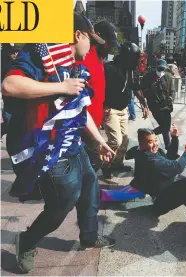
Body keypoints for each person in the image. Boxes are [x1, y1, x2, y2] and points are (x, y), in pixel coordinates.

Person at [1, 12, 116, 273]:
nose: (93, 48)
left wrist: (99, 141)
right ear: (78, 35)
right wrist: (61, 87)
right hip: (48, 149)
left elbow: (78, 108)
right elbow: (10, 84)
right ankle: (27, 240)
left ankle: (88, 235)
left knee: (89, 185)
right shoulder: (44, 55)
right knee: (64, 201)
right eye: (91, 39)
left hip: (73, 142)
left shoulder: (75, 66)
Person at [76, 20, 120, 172]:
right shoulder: (85, 57)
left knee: (91, 165)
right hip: (83, 124)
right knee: (93, 164)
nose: (110, 47)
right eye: (108, 43)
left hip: (94, 121)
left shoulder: (100, 58)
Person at [101, 42, 149, 179]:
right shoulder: (108, 69)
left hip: (123, 109)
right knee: (115, 140)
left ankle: (117, 163)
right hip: (111, 110)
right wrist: (102, 106)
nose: (136, 61)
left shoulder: (131, 70)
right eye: (134, 57)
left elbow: (136, 88)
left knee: (125, 140)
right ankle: (106, 165)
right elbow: (99, 88)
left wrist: (144, 105)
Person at [140, 59, 175, 149]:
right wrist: (150, 89)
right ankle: (168, 146)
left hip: (166, 106)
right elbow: (142, 90)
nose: (161, 71)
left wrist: (170, 98)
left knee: (165, 127)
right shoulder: (148, 76)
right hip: (155, 106)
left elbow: (172, 90)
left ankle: (149, 135)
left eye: (163, 69)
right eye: (159, 69)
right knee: (165, 127)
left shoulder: (168, 76)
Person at [1, 44, 20, 138]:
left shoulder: (20, 63)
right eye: (13, 52)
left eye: (17, 52)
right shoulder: (6, 64)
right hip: (9, 96)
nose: (15, 54)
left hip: (18, 96)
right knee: (8, 116)